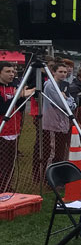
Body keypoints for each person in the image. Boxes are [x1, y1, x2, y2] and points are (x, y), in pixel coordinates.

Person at [0, 62, 35, 192]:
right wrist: (18, 96)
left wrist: (23, 97)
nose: (11, 74)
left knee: (10, 163)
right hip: (1, 131)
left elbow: (17, 107)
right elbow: (3, 109)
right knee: (2, 163)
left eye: (13, 72)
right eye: (8, 71)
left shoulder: (13, 87)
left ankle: (7, 186)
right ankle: (3, 187)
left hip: (13, 130)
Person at [41, 61, 76, 173]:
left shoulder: (63, 84)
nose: (63, 74)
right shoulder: (50, 85)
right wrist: (68, 101)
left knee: (61, 151)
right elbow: (63, 104)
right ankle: (49, 176)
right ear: (53, 72)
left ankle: (59, 174)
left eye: (65, 72)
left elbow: (72, 102)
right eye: (60, 71)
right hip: (53, 123)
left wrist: (68, 100)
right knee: (53, 152)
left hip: (63, 122)